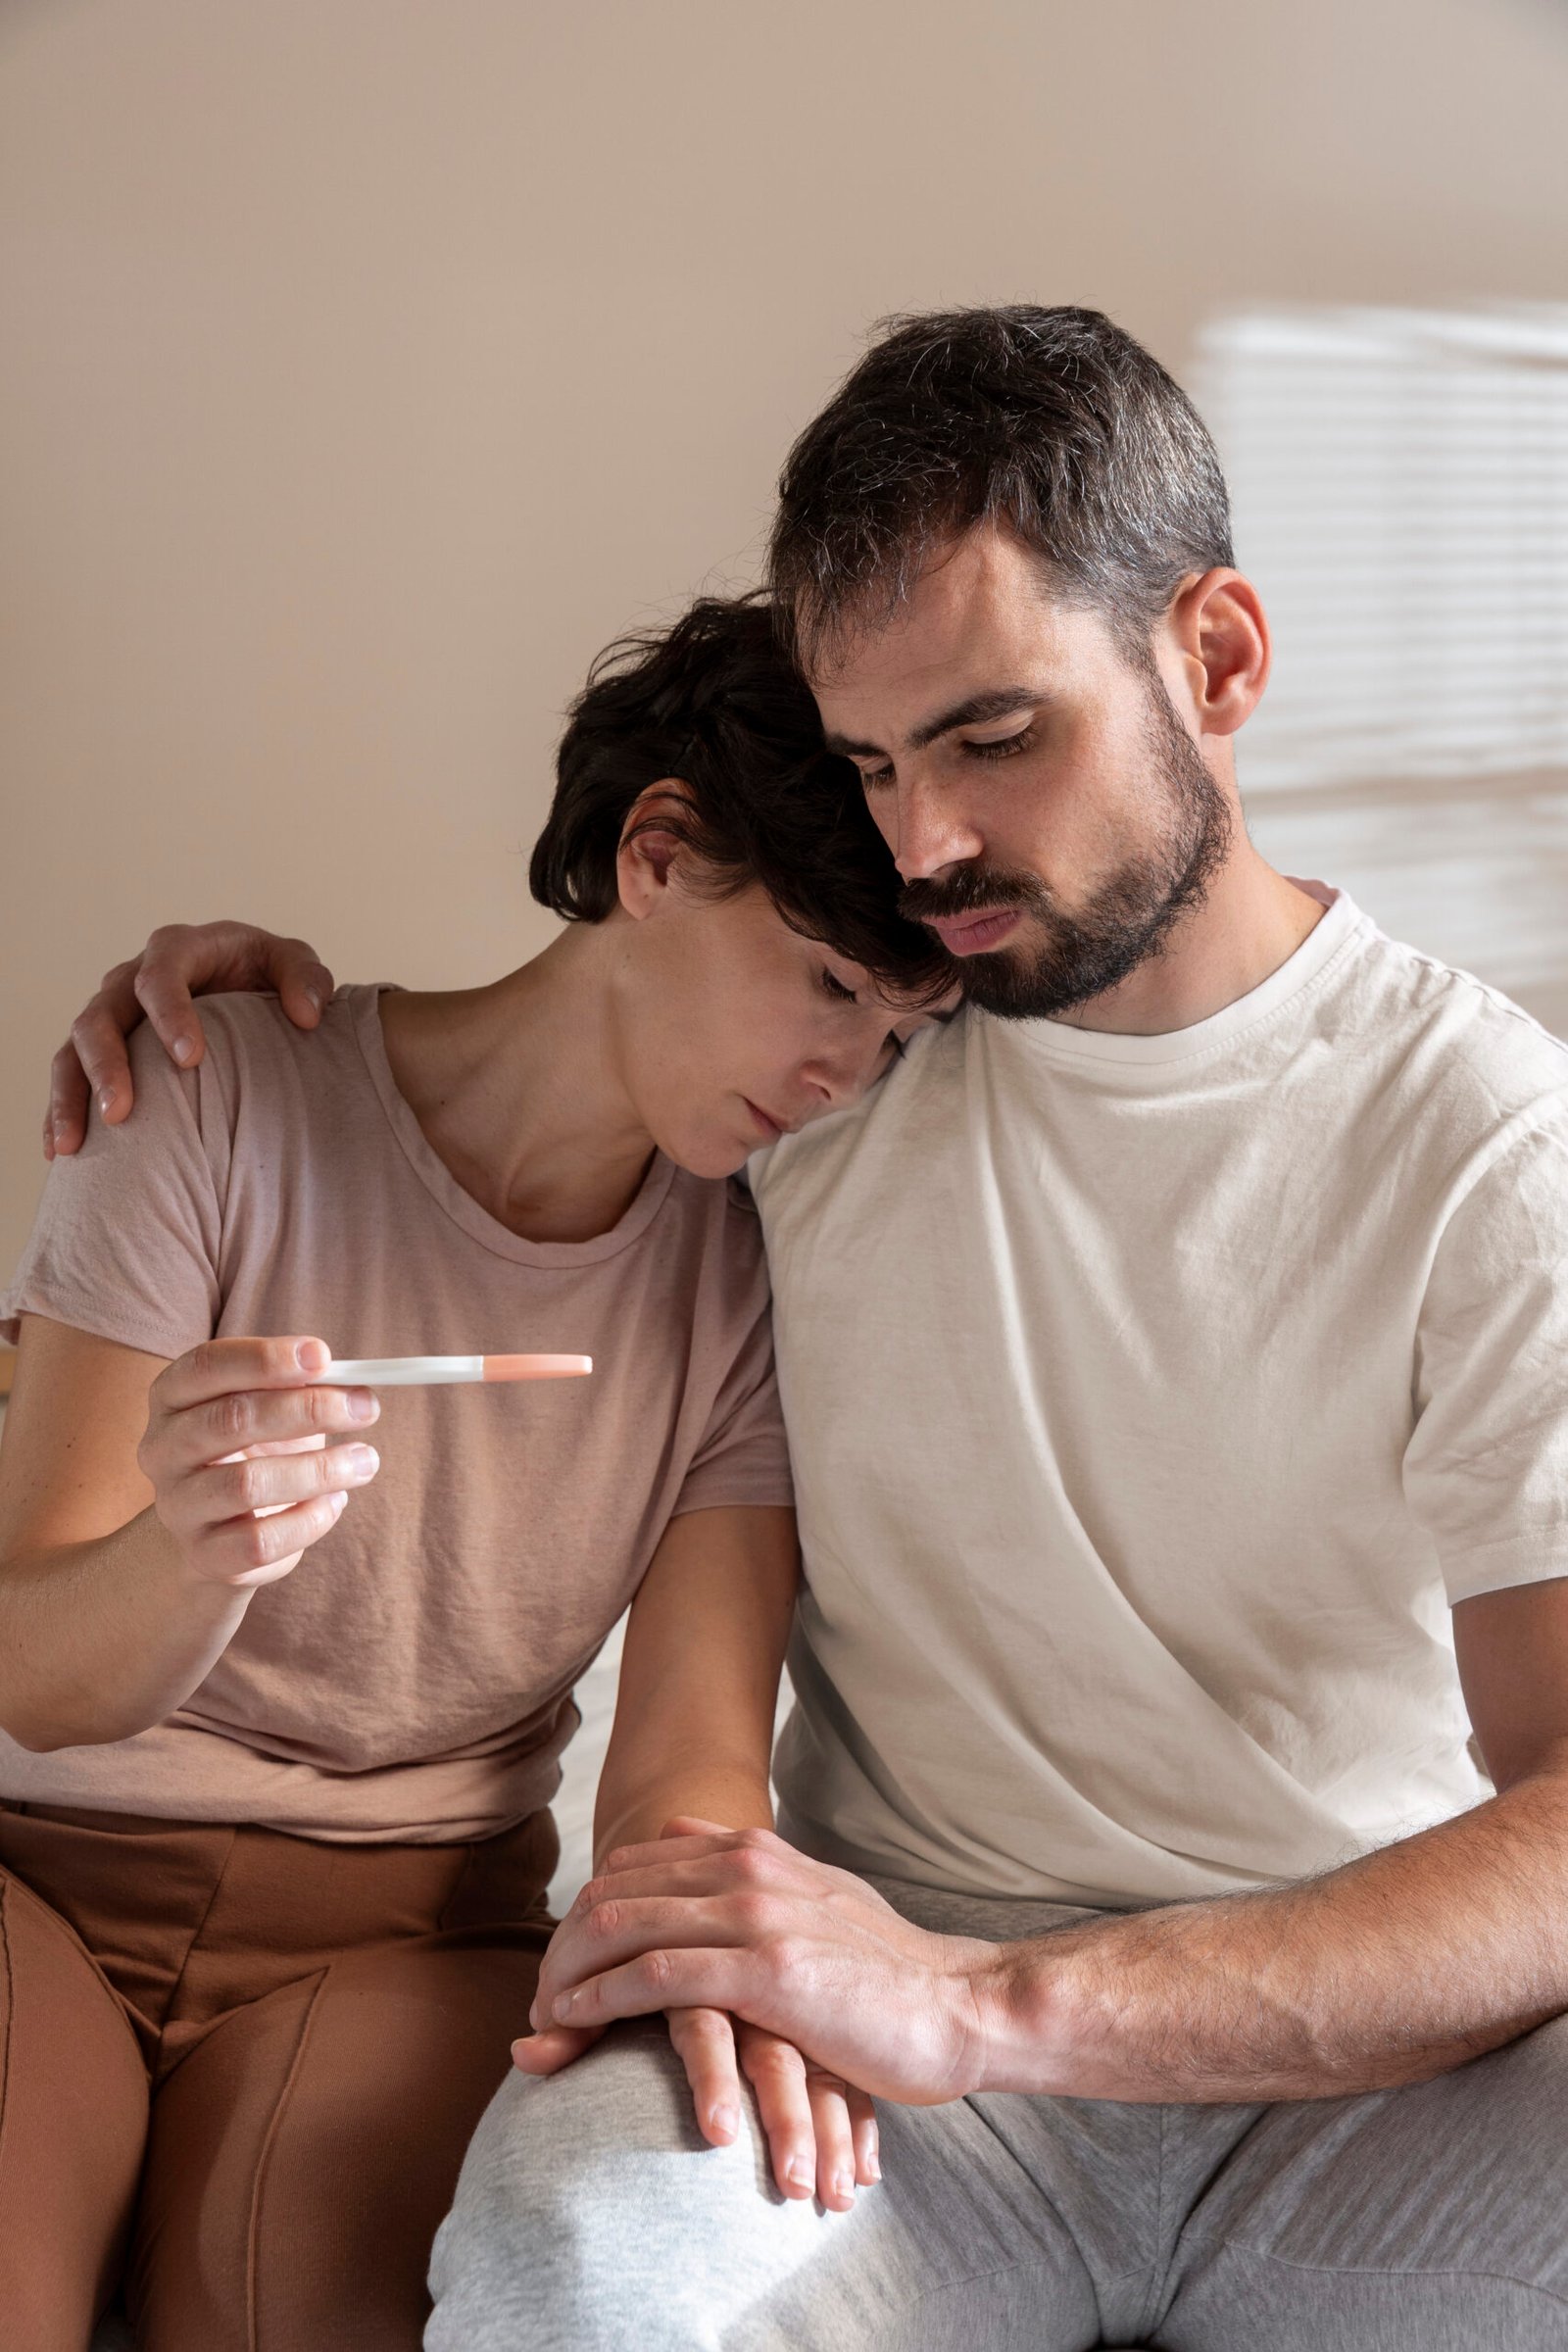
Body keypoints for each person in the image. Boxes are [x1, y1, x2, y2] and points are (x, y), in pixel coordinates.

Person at [51, 308, 1568, 2350]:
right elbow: (534, 1064)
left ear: (1214, 660)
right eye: (872, 763)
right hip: (873, 2034)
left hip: (1353, 2065)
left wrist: (995, 2008)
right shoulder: (852, 1045)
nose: (921, 847)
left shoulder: (1484, 1141)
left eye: (992, 738)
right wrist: (224, 1017)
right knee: (583, 2277)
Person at [0, 594, 949, 2351]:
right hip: (39, 1873)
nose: (845, 1075)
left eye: (896, 1033)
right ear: (655, 855)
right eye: (830, 982)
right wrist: (192, 1561)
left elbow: (683, 1760)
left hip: (405, 1935)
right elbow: (32, 1670)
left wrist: (733, 1968)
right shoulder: (210, 1091)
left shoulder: (750, 1283)